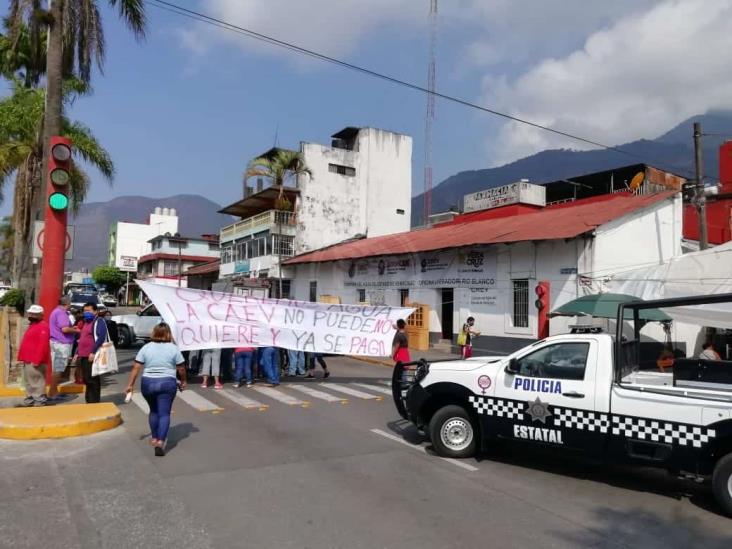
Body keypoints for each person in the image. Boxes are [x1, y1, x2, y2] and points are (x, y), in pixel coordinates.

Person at [125, 323, 187, 457]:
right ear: (168, 334)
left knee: (153, 411)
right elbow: (181, 368)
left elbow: (136, 367)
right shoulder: (173, 348)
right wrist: (183, 381)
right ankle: (160, 442)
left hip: (148, 383)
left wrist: (130, 384)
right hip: (166, 383)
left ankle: (154, 437)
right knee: (164, 413)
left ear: (154, 333)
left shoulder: (146, 348)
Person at [17, 305, 51, 407]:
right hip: (28, 358)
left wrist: (38, 359)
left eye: (34, 314)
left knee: (37, 381)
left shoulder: (43, 326)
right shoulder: (33, 325)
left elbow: (43, 344)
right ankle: (30, 399)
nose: (31, 315)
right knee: (29, 381)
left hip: (35, 359)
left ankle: (40, 400)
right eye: (30, 313)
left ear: (40, 315)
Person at [48, 296, 80, 401]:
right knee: (58, 369)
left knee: (58, 368)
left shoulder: (56, 311)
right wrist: (77, 331)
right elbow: (65, 329)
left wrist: (72, 328)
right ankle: (52, 392)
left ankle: (54, 391)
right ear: (68, 303)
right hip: (61, 344)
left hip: (57, 343)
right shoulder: (61, 313)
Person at [77, 302, 108, 404]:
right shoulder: (86, 322)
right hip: (83, 355)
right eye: (85, 311)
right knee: (86, 379)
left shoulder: (99, 321)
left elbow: (101, 337)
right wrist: (77, 352)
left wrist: (93, 352)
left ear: (95, 311)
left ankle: (94, 401)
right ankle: (89, 401)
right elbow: (82, 338)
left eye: (89, 310)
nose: (86, 313)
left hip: (91, 355)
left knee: (92, 379)